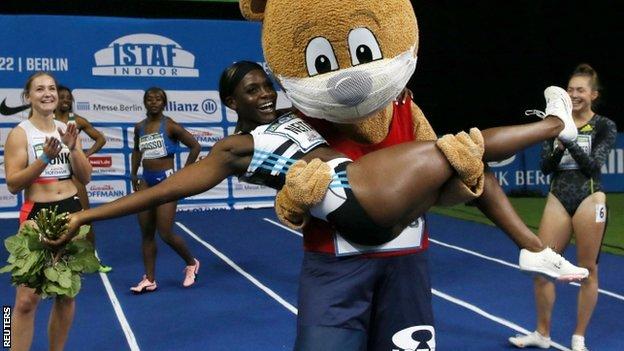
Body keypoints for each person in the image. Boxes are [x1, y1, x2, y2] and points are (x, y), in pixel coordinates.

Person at [51, 62, 588, 347]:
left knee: (473, 172)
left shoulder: (298, 116)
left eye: (266, 86)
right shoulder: (234, 148)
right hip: (353, 198)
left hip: (377, 195)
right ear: (229, 103)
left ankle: (533, 249)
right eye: (250, 91)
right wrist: (83, 214)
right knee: (453, 148)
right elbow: (165, 190)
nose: (263, 95)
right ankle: (553, 125)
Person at [509, 64, 617, 351]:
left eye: (580, 90)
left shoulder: (605, 125)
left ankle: (578, 337)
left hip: (589, 198)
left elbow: (593, 166)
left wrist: (571, 141)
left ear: (593, 94)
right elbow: (545, 168)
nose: (574, 94)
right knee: (542, 265)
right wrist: (559, 143)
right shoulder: (555, 123)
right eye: (570, 89)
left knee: (588, 269)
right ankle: (542, 334)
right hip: (558, 196)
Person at [4, 72, 92, 351]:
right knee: (24, 301)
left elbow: (85, 177)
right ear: (28, 96)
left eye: (51, 88)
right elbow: (14, 184)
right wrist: (44, 158)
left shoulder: (67, 129)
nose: (47, 93)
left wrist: (74, 148)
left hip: (70, 212)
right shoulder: (20, 134)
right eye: (39, 89)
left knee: (66, 294)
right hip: (36, 216)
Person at [128, 87, 201, 293]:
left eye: (158, 99)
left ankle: (191, 263)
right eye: (149, 99)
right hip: (146, 181)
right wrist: (134, 173)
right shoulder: (139, 127)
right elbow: (136, 151)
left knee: (166, 232)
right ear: (144, 102)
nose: (153, 102)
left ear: (164, 103)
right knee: (146, 233)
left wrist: (185, 173)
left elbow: (195, 146)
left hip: (166, 181)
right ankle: (149, 279)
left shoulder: (170, 126)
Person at [54, 85, 112, 273]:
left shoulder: (76, 120)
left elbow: (100, 139)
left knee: (86, 218)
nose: (65, 100)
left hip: (75, 175)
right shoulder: (46, 121)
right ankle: (58, 260)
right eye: (61, 97)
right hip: (55, 177)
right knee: (55, 220)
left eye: (68, 98)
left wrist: (85, 154)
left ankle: (93, 259)